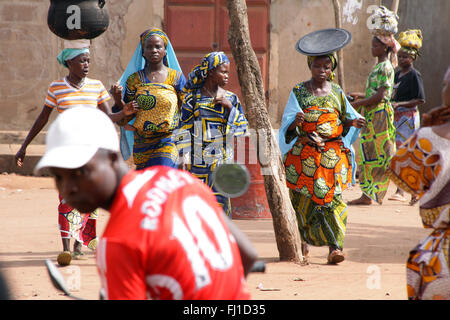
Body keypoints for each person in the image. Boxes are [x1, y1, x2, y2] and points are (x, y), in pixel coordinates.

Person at [34, 106, 258, 300]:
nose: (68, 188)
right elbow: (246, 254)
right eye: (59, 177)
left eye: (80, 172)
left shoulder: (118, 242)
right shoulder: (177, 179)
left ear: (112, 158)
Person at [14, 40, 136, 265]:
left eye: (88, 60)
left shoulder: (96, 86)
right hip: (67, 152)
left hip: (93, 152)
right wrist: (24, 146)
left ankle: (81, 245)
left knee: (91, 194)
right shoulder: (56, 88)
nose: (87, 64)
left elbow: (108, 118)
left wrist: (123, 113)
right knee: (66, 198)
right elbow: (43, 117)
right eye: (82, 61)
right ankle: (66, 247)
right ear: (69, 63)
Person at [278, 51, 365, 264]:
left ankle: (335, 247)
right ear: (310, 66)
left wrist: (353, 124)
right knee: (301, 200)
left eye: (327, 66)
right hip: (303, 156)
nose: (322, 70)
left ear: (332, 69)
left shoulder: (336, 92)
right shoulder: (298, 91)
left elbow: (345, 120)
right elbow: (287, 127)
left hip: (331, 157)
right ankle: (303, 243)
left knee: (333, 199)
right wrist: (294, 123)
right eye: (318, 66)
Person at [387, 67, 450, 300]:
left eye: (445, 85)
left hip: (443, 262)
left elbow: (402, 171)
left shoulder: (429, 139)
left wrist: (424, 130)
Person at [177, 52, 248, 217]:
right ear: (210, 72)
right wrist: (182, 161)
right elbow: (182, 131)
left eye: (228, 73)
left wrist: (230, 107)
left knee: (221, 207)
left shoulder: (231, 98)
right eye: (223, 72)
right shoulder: (192, 99)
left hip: (221, 163)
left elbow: (242, 129)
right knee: (196, 207)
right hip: (197, 164)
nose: (226, 76)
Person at [111, 28, 186, 170]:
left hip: (168, 139)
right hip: (142, 144)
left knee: (163, 176)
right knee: (148, 184)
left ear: (165, 51)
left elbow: (187, 108)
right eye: (149, 47)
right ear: (143, 52)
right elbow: (126, 116)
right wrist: (117, 99)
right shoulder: (134, 80)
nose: (154, 50)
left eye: (158, 46)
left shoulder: (176, 78)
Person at [348, 13, 400, 205]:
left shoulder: (386, 67)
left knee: (377, 154)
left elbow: (380, 96)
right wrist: (359, 95)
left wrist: (357, 104)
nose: (372, 48)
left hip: (379, 115)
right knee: (369, 153)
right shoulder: (379, 67)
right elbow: (375, 92)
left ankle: (371, 194)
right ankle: (368, 194)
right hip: (373, 114)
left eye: (375, 45)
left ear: (385, 47)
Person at [388, 29, 425, 204]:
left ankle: (404, 191)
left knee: (405, 154)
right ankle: (408, 190)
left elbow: (420, 99)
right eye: (400, 56)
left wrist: (400, 105)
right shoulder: (396, 73)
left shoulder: (414, 75)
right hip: (396, 118)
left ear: (413, 58)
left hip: (408, 119)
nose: (402, 59)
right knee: (398, 154)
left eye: (406, 57)